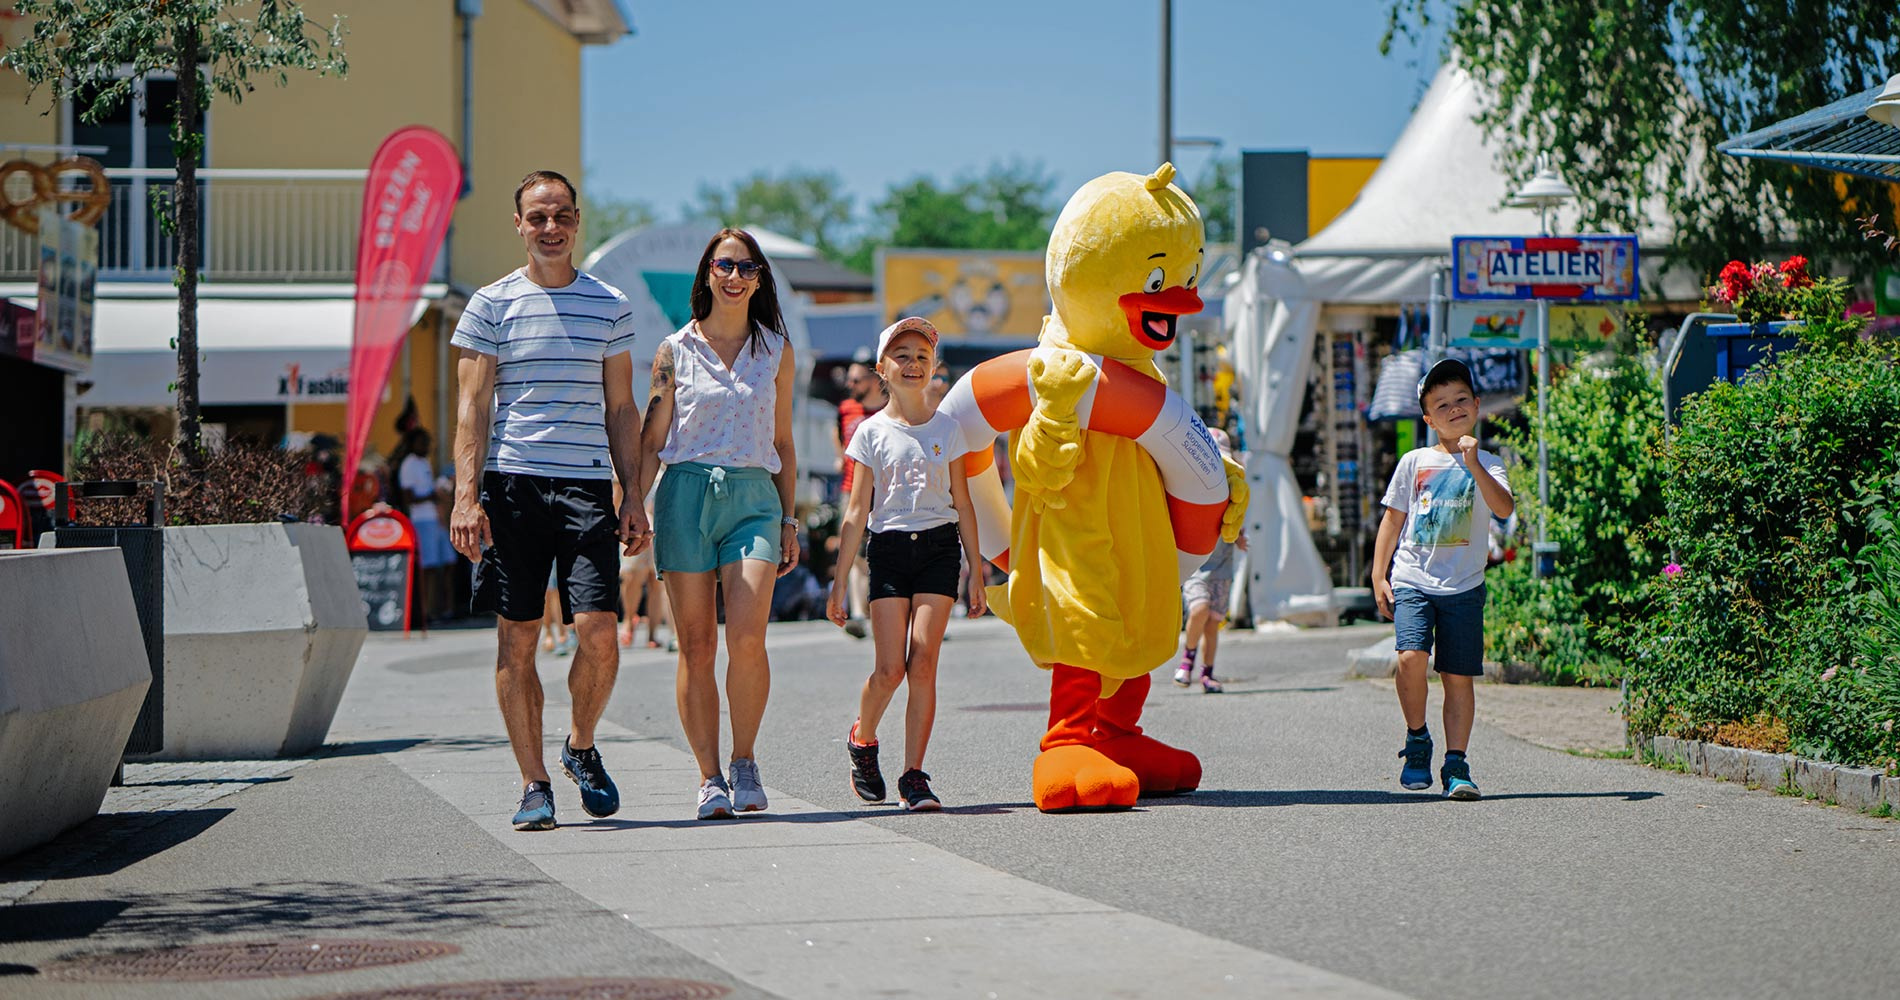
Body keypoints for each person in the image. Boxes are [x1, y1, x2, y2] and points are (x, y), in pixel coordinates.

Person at [448, 169, 647, 832]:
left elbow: (622, 407)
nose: (550, 228)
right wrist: (466, 498)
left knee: (599, 635)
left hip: (588, 486)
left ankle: (581, 745)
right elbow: (472, 408)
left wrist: (634, 493)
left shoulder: (609, 305)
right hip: (512, 486)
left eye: (561, 216)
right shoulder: (490, 304)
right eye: (537, 217)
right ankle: (534, 783)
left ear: (576, 221)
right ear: (519, 225)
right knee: (518, 640)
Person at [636, 227, 798, 821]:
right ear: (707, 273)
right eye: (725, 265)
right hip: (684, 495)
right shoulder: (673, 351)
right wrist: (633, 500)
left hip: (756, 496)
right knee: (697, 646)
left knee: (747, 637)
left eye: (747, 268)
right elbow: (653, 440)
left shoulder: (776, 352)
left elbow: (783, 439)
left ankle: (745, 762)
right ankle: (708, 778)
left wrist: (791, 518)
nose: (735, 277)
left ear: (760, 280)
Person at [827, 317, 986, 811]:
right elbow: (856, 513)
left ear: (934, 367)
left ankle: (914, 776)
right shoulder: (871, 433)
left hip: (940, 548)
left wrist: (976, 572)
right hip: (890, 549)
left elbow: (963, 501)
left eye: (921, 355)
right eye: (902, 355)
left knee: (924, 663)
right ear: (882, 369)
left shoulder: (949, 430)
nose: (912, 363)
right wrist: (838, 588)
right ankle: (863, 738)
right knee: (890, 670)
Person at [1371, 357, 1514, 801]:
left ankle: (1456, 763)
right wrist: (1379, 574)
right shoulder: (1414, 462)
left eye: (1460, 400)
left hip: (1465, 586)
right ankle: (1417, 739)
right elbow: (1393, 522)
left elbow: (1505, 509)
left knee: (1457, 677)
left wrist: (1473, 465)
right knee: (1410, 658)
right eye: (1441, 404)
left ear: (1476, 404)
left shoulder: (1488, 462)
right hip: (1413, 577)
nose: (1454, 409)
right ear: (1428, 418)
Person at [1173, 428, 1249, 693]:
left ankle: (1207, 673)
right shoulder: (1189, 487)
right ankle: (1187, 660)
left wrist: (1240, 537)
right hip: (1196, 564)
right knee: (1199, 610)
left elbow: (1236, 522)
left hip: (1222, 567)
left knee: (1214, 623)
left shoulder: (1233, 490)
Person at [832, 354, 887, 638]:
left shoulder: (890, 411)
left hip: (884, 492)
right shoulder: (845, 409)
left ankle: (876, 610)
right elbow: (838, 435)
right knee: (851, 551)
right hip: (850, 489)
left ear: (874, 380)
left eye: (856, 379)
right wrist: (839, 456)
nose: (850, 384)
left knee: (879, 554)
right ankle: (856, 614)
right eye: (849, 379)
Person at [396, 427, 455, 623]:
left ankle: (445, 608)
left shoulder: (424, 463)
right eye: (423, 442)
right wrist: (432, 496)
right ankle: (426, 611)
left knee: (448, 563)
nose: (427, 446)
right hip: (421, 521)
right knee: (427, 567)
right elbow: (408, 498)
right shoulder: (408, 465)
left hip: (435, 519)